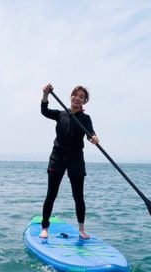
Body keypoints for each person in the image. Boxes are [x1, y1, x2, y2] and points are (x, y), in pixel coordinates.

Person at [39, 83, 99, 239]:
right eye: (75, 95)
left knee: (78, 196)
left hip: (76, 159)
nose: (77, 98)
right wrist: (46, 94)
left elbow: (90, 133)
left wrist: (93, 138)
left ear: (84, 101)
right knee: (51, 194)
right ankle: (45, 227)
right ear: (71, 96)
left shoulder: (85, 119)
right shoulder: (61, 114)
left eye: (81, 97)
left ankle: (81, 229)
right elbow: (44, 111)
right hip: (57, 158)